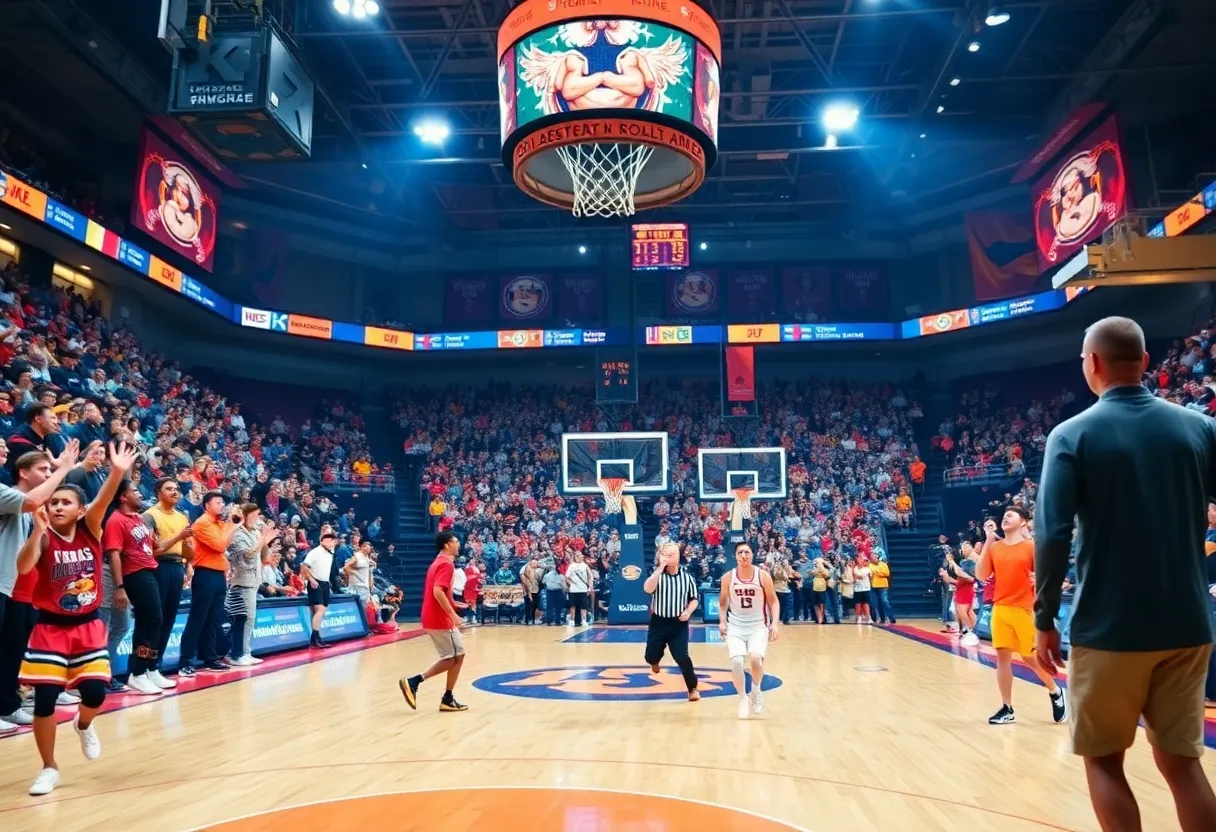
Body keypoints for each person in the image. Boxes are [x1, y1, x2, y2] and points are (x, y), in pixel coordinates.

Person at [1034, 316, 1216, 830]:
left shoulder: (1071, 435)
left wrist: (1045, 617)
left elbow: (1051, 533)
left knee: (1105, 760)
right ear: (1145, 363)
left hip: (1110, 628)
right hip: (1188, 623)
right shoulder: (1202, 427)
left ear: (1091, 364)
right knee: (1182, 764)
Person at [16, 441, 135, 796]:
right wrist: (37, 531)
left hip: (87, 627)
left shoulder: (91, 529)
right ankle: (49, 767)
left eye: (65, 502)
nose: (56, 507)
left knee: (96, 693)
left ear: (81, 510)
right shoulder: (43, 535)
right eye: (53, 503)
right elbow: (23, 567)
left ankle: (84, 725)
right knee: (45, 701)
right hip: (49, 627)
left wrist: (115, 471)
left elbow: (103, 500)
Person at [0, 442, 81, 731]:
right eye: (42, 469)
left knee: (14, 652)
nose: (48, 474)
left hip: (20, 589)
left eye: (49, 469)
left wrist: (64, 469)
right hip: (12, 588)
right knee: (7, 651)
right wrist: (64, 469)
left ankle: (9, 704)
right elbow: (35, 501)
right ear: (23, 472)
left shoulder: (29, 503)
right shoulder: (12, 498)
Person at [977, 506, 1067, 726]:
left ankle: (1055, 691)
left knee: (1030, 658)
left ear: (1024, 522)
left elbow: (1052, 576)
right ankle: (1007, 708)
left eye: (1011, 515)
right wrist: (988, 539)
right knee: (1002, 658)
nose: (1005, 517)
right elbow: (981, 574)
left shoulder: (1032, 547)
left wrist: (1042, 582)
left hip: (1026, 609)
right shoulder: (995, 547)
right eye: (1004, 515)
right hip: (1001, 608)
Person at [101, 479, 164, 696]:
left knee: (154, 621)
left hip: (149, 570)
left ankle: (144, 668)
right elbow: (114, 554)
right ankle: (137, 672)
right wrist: (119, 586)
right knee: (151, 620)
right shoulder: (115, 521)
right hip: (135, 575)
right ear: (123, 497)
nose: (139, 494)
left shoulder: (137, 518)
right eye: (135, 490)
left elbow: (151, 548)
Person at [399, 531, 468, 713]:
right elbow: (437, 592)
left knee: (457, 656)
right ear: (447, 544)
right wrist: (453, 614)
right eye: (455, 541)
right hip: (439, 618)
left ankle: (447, 698)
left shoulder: (437, 563)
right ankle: (414, 682)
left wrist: (454, 603)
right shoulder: (446, 564)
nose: (458, 544)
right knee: (454, 657)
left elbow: (439, 591)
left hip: (432, 616)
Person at [178, 493, 241, 676]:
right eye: (218, 502)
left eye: (223, 502)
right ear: (207, 505)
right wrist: (231, 525)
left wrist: (230, 524)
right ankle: (185, 661)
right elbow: (220, 545)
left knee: (213, 620)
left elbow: (226, 544)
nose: (222, 505)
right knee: (197, 619)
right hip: (205, 574)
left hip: (218, 575)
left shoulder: (218, 523)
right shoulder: (202, 523)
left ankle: (209, 658)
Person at [718, 542, 779, 719]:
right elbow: (723, 602)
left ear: (752, 555)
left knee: (755, 659)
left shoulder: (762, 576)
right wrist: (722, 621)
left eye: (747, 552)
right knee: (737, 661)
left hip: (758, 625)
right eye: (740, 552)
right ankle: (743, 699)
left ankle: (756, 689)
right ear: (735, 556)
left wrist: (774, 623)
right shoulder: (728, 577)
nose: (743, 555)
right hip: (736, 625)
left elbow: (774, 601)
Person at [143, 478, 192, 688]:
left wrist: (189, 561)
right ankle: (141, 667)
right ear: (158, 492)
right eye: (169, 489)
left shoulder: (182, 517)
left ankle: (155, 665)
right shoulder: (149, 515)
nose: (174, 492)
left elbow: (187, 548)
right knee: (155, 619)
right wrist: (179, 537)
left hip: (176, 567)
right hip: (157, 567)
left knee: (169, 620)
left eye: (176, 489)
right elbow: (151, 549)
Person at [642, 542, 701, 702]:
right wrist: (660, 568)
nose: (668, 557)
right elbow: (647, 589)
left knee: (682, 657)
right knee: (650, 656)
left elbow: (694, 599)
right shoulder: (658, 575)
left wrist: (688, 612)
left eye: (671, 554)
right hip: (658, 622)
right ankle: (655, 661)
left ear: (678, 556)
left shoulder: (687, 577)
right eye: (665, 554)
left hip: (678, 624)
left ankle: (692, 688)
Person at [225, 505, 275, 666]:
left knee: (250, 618)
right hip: (241, 580)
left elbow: (263, 556)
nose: (258, 519)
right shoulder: (238, 534)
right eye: (255, 516)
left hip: (254, 579)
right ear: (245, 516)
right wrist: (263, 540)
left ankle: (245, 651)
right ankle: (236, 653)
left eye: (258, 516)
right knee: (243, 618)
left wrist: (266, 541)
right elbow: (247, 554)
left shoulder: (255, 532)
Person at [301, 531, 338, 649]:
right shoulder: (315, 552)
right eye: (326, 540)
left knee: (320, 611)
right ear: (321, 541)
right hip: (316, 582)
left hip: (325, 583)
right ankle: (315, 638)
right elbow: (303, 566)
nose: (329, 542)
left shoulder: (331, 552)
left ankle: (315, 637)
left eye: (331, 540)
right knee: (319, 609)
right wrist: (311, 579)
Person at [950, 542, 980, 647]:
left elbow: (963, 574)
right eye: (963, 548)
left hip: (968, 586)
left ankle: (971, 631)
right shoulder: (965, 561)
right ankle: (974, 631)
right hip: (965, 585)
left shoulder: (973, 559)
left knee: (963, 611)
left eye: (967, 547)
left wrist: (952, 562)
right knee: (968, 611)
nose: (965, 549)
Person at [566, 551, 592, 627]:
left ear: (582, 556)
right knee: (572, 606)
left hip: (583, 589)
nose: (578, 557)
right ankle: (572, 620)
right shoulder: (571, 566)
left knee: (583, 606)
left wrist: (590, 587)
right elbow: (567, 577)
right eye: (576, 556)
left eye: (579, 555)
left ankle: (583, 620)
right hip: (573, 590)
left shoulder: (585, 565)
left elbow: (590, 576)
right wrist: (571, 584)